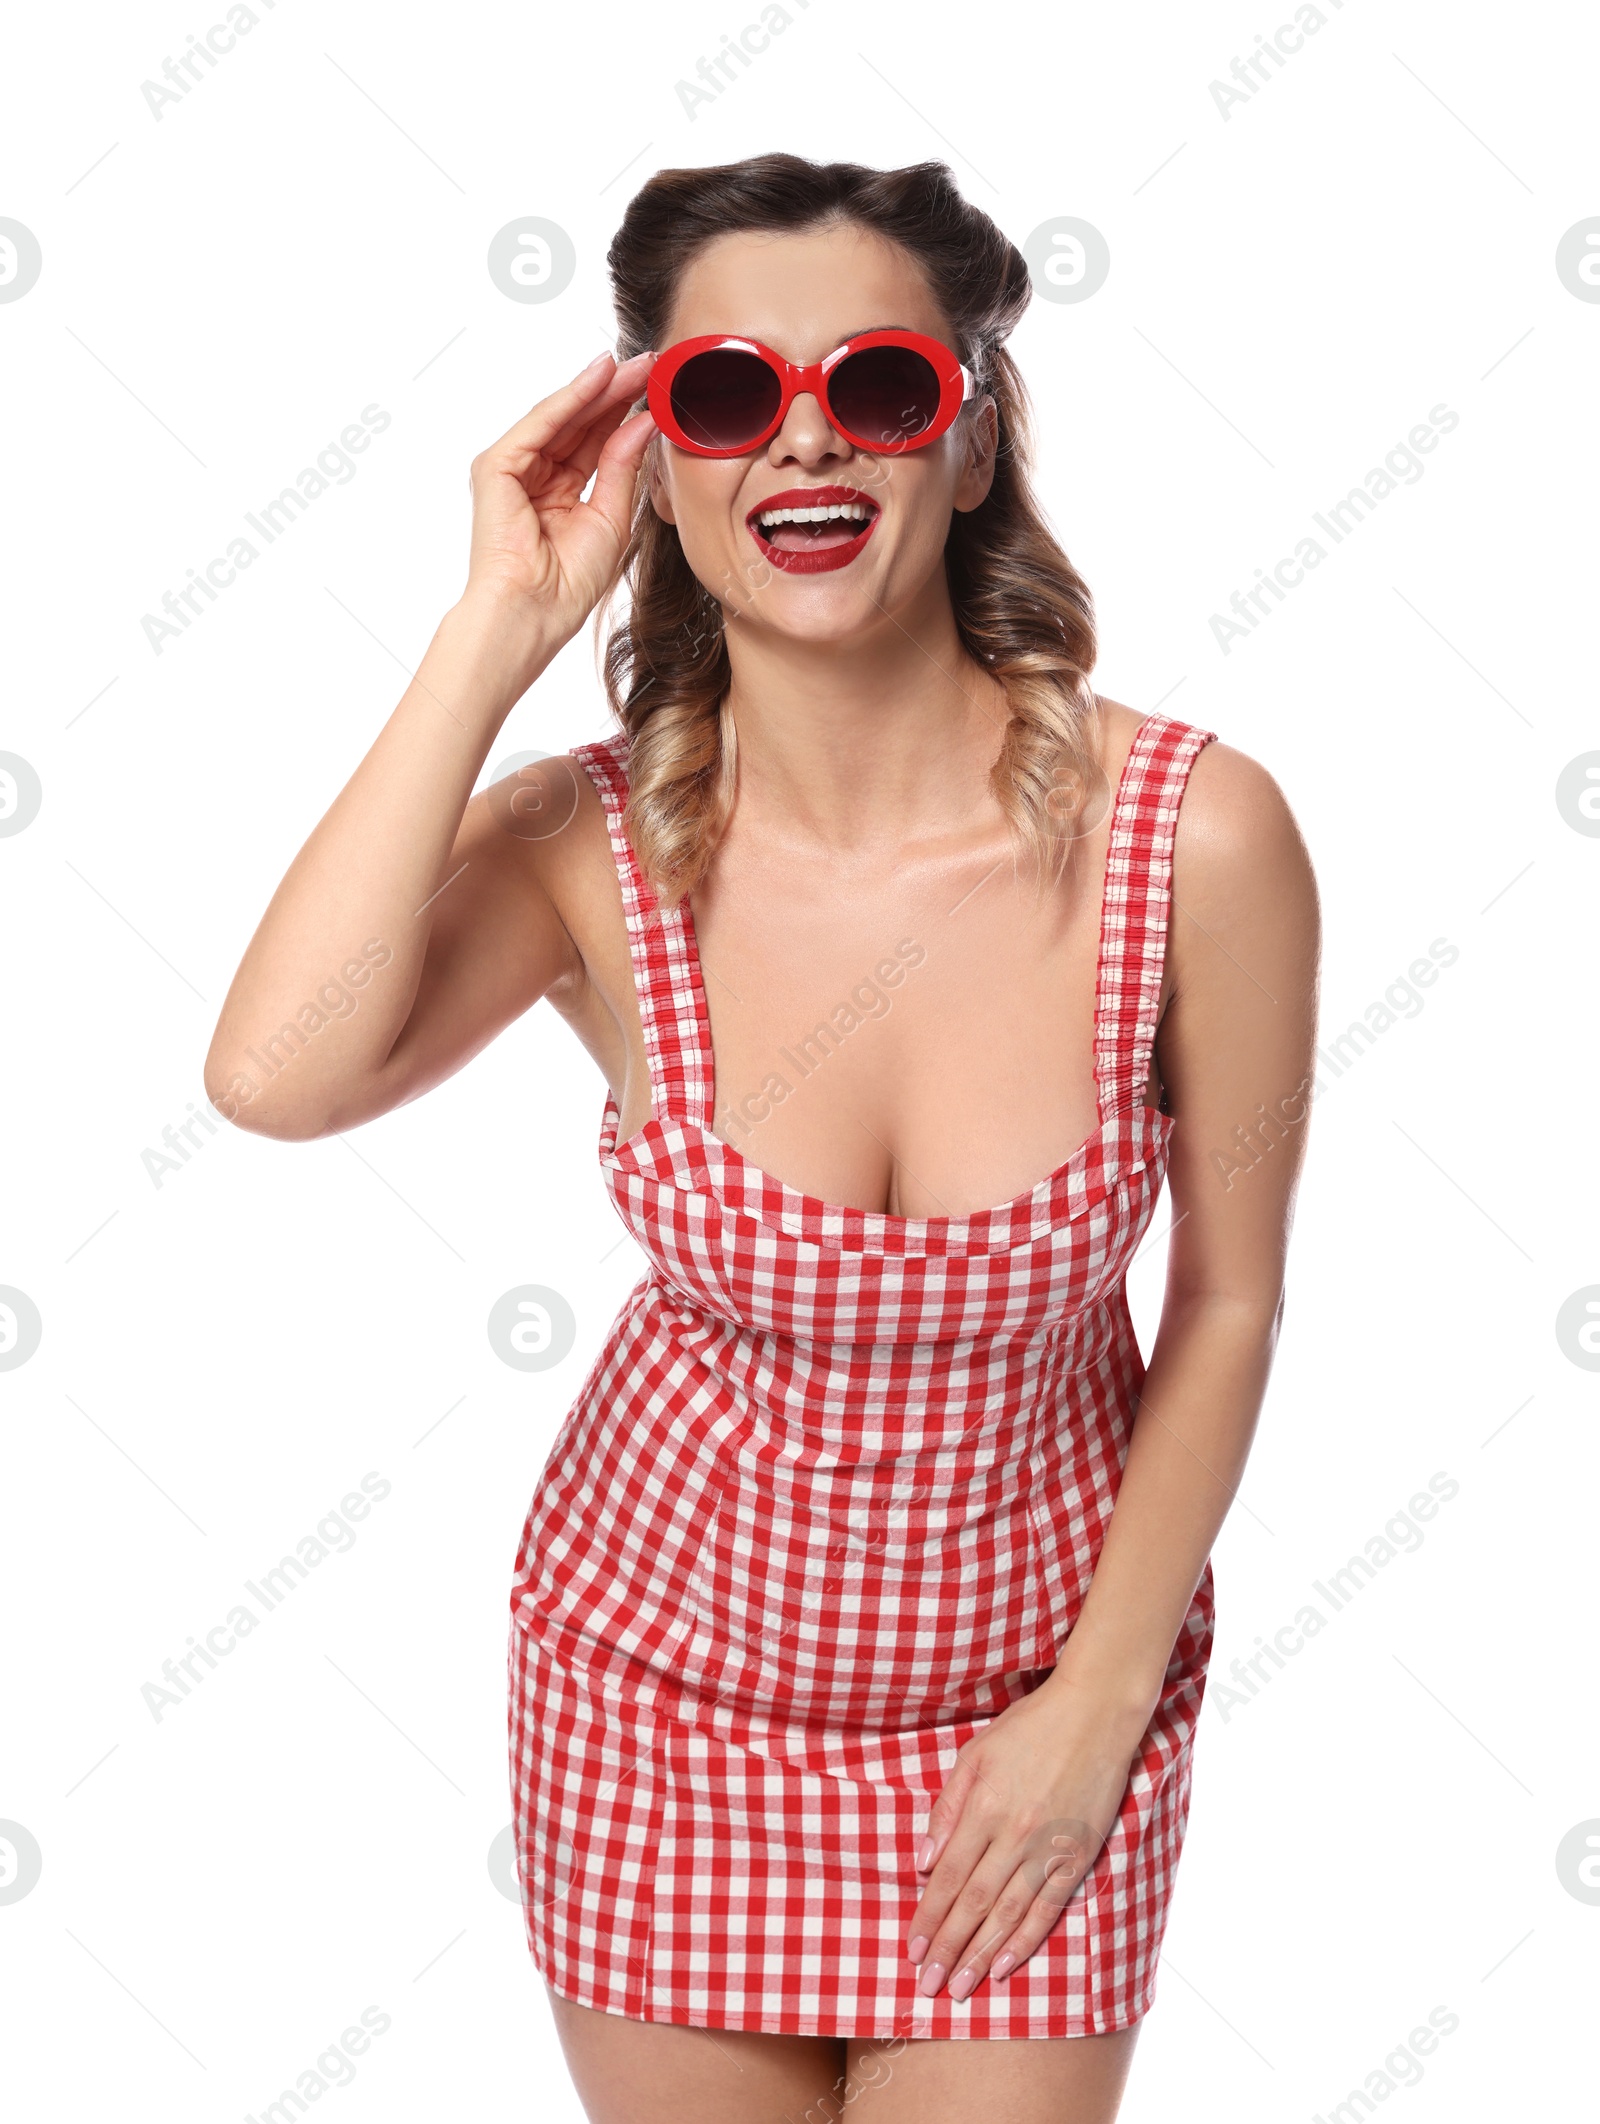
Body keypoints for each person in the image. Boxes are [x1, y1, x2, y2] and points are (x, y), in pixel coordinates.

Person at [206, 154, 1319, 2124]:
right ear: (653, 452)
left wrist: (1096, 1702)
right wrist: (498, 624)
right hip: (654, 1711)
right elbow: (278, 1077)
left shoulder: (1196, 838)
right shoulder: (587, 844)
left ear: (964, 444)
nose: (802, 439)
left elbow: (1224, 1304)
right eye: (722, 395)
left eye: (878, 386)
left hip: (1039, 1712)